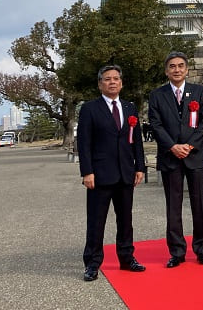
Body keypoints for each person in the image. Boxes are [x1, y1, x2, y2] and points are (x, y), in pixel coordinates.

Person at [77, 64, 146, 282]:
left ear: (121, 83)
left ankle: (127, 258)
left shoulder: (130, 108)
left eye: (116, 78)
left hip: (126, 173)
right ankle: (92, 263)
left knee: (126, 220)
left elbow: (136, 141)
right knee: (96, 221)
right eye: (107, 79)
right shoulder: (89, 109)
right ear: (100, 84)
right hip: (100, 174)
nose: (112, 82)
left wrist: (139, 166)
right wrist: (87, 171)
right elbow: (84, 143)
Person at [148, 51, 203, 267]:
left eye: (181, 66)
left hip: (195, 156)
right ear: (167, 70)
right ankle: (177, 251)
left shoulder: (199, 92)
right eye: (172, 66)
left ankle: (202, 248)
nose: (177, 69)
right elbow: (155, 125)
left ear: (187, 69)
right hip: (170, 157)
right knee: (174, 205)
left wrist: (190, 145)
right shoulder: (157, 95)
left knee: (200, 204)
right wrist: (173, 146)